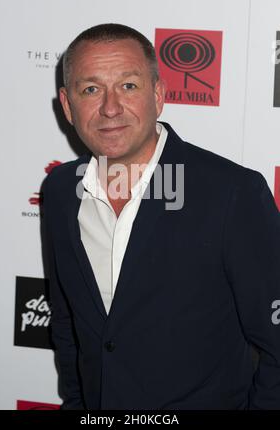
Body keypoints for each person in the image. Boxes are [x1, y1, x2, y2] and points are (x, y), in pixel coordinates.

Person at [42, 23, 280, 410]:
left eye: (129, 86)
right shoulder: (58, 192)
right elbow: (70, 328)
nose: (110, 107)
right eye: (91, 90)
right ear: (68, 106)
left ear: (159, 95)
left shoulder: (232, 195)